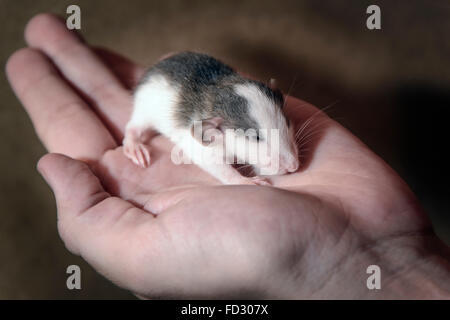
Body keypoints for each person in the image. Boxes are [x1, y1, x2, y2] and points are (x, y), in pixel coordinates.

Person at [6, 13, 450, 299]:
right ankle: (134, 134)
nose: (290, 163)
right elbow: (205, 152)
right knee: (142, 119)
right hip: (168, 91)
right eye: (259, 145)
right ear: (215, 129)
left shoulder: (253, 106)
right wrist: (235, 178)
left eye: (287, 133)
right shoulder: (206, 127)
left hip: (213, 90)